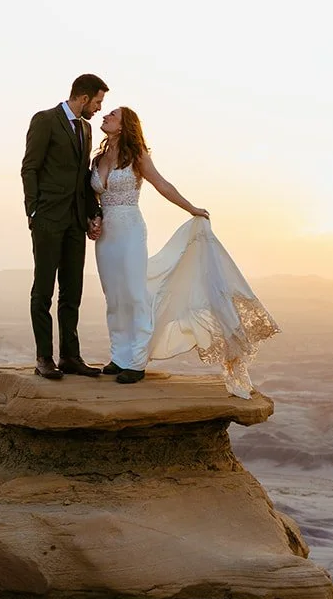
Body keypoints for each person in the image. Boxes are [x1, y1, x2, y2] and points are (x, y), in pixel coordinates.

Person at [91, 106, 280, 397]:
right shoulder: (100, 158)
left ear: (125, 125)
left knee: (134, 293)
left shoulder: (137, 155)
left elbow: (162, 184)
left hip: (129, 230)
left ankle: (136, 361)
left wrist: (191, 208)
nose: (105, 117)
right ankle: (119, 357)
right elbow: (91, 198)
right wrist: (92, 221)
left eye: (112, 115)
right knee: (113, 296)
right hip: (106, 237)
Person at [20, 74, 108, 379]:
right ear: (83, 98)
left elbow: (83, 177)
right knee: (43, 290)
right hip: (47, 218)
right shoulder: (45, 120)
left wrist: (91, 212)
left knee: (73, 291)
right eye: (97, 101)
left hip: (73, 221)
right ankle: (44, 358)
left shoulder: (85, 128)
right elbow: (30, 166)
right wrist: (33, 209)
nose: (98, 109)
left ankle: (70, 356)